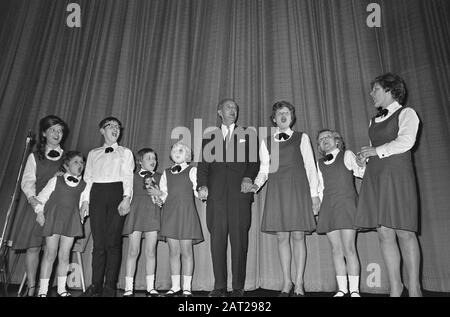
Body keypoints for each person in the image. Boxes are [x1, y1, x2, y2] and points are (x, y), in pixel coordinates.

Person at [355, 73, 422, 297]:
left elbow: (406, 142)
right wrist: (364, 158)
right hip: (376, 178)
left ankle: (414, 288)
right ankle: (396, 286)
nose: (371, 93)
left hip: (397, 178)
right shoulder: (373, 120)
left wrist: (375, 151)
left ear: (389, 90)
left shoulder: (407, 113)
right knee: (384, 234)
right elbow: (377, 148)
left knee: (405, 232)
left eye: (375, 89)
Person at [251, 101, 320, 297]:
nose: (283, 116)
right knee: (282, 238)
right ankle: (286, 283)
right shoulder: (266, 141)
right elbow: (264, 169)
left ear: (292, 117)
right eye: (279, 113)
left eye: (287, 113)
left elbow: (310, 167)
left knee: (298, 236)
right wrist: (256, 184)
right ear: (274, 119)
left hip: (298, 191)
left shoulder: (302, 137)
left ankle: (299, 284)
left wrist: (314, 195)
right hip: (277, 191)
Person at [197, 99, 259, 297]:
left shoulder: (247, 134)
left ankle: (238, 287)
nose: (233, 110)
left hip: (240, 195)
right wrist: (202, 185)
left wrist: (248, 177)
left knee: (240, 242)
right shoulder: (209, 136)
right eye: (229, 107)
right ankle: (220, 286)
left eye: (235, 108)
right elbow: (203, 166)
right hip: (216, 197)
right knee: (217, 242)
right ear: (219, 112)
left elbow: (254, 161)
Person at [8, 115, 67, 297]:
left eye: (60, 130)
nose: (57, 134)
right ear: (44, 133)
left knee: (52, 249)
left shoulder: (68, 157)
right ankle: (32, 286)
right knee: (33, 247)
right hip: (36, 205)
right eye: (52, 130)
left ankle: (44, 288)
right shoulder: (34, 156)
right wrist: (34, 201)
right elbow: (27, 182)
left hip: (57, 207)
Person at [81, 117, 134, 297]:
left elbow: (128, 177)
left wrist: (126, 198)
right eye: (110, 126)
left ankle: (110, 286)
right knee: (99, 242)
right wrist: (85, 201)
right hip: (97, 193)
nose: (115, 129)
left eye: (118, 126)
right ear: (102, 131)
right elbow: (88, 179)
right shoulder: (93, 153)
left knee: (113, 241)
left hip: (117, 193)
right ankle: (95, 284)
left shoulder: (125, 152)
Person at [316, 129, 365, 297]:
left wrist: (362, 163)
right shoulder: (319, 163)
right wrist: (320, 207)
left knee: (349, 248)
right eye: (321, 139)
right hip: (329, 206)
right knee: (336, 250)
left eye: (327, 137)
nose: (324, 140)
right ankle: (342, 289)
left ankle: (354, 290)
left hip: (347, 205)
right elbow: (320, 188)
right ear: (320, 146)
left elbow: (361, 173)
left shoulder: (347, 155)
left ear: (337, 140)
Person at [151, 141, 203, 297]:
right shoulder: (166, 173)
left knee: (187, 251)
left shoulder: (193, 170)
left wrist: (202, 192)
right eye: (174, 150)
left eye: (181, 150)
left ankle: (187, 287)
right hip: (170, 214)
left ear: (187, 154)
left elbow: (197, 189)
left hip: (186, 213)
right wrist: (158, 198)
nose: (177, 152)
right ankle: (175, 286)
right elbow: (164, 194)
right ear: (171, 155)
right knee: (173, 252)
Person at [34, 151, 89, 297]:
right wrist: (39, 213)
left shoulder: (84, 185)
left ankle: (61, 289)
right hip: (54, 219)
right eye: (76, 162)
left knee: (65, 255)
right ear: (66, 165)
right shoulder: (56, 180)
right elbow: (41, 198)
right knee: (50, 254)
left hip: (71, 221)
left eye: (82, 162)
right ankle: (43, 290)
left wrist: (82, 215)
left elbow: (84, 204)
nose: (80, 165)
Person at [122, 148, 162, 297]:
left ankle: (150, 287)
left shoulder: (160, 176)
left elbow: (164, 197)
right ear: (140, 161)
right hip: (136, 214)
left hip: (152, 214)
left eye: (154, 158)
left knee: (151, 251)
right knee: (133, 251)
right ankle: (128, 287)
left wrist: (159, 196)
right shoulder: (131, 177)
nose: (153, 161)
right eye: (149, 158)